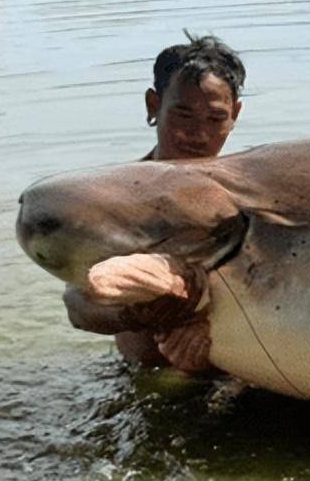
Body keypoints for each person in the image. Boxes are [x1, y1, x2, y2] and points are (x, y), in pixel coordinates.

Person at [62, 33, 246, 371]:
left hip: (227, 369)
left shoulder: (245, 198)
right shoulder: (118, 199)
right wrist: (135, 312)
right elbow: (76, 303)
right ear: (153, 105)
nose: (199, 134)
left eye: (215, 119)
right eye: (183, 115)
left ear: (235, 115)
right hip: (146, 376)